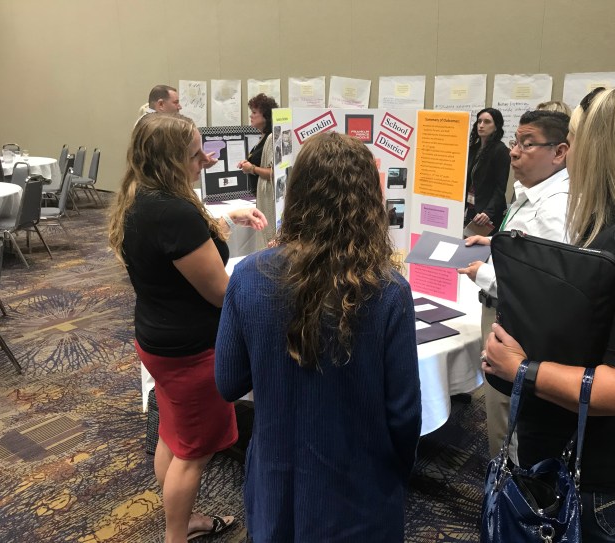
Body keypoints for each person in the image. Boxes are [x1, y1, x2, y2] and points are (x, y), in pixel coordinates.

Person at [482, 86, 615, 542]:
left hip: (598, 474)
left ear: (595, 150)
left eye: (574, 140)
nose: (568, 153)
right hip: (590, 460)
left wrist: (522, 369)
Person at [215, 131, 422, 542]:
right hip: (358, 491)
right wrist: (394, 475)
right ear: (370, 200)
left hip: (275, 484)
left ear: (295, 194)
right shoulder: (388, 291)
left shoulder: (248, 276)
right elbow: (404, 415)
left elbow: (229, 382)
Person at [108, 113, 267, 543]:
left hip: (158, 339)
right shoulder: (174, 211)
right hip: (192, 351)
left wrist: (228, 220)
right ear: (170, 160)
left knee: (173, 436)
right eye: (196, 154)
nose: (206, 160)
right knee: (194, 454)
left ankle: (183, 519)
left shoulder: (141, 196)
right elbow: (220, 293)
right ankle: (176, 534)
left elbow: (182, 250)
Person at [458, 110, 571, 457]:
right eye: (515, 142)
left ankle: (511, 485)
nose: (515, 152)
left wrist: (483, 274)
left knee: (508, 416)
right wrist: (495, 242)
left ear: (559, 152)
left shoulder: (555, 207)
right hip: (504, 312)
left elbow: (543, 285)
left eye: (527, 144)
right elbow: (528, 247)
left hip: (516, 322)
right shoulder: (531, 192)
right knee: (500, 410)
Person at [237, 93, 278, 250]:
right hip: (262, 195)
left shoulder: (271, 138)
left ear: (266, 116)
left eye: (254, 112)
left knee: (268, 236)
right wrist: (248, 164)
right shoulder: (263, 137)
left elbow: (273, 172)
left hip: (269, 198)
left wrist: (252, 169)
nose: (251, 116)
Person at [464, 108, 511, 235]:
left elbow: (500, 187)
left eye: (487, 122)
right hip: (472, 207)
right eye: (479, 121)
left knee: (481, 245)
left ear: (496, 127)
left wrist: (488, 212)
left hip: (488, 212)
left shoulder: (500, 150)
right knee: (467, 241)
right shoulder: (473, 149)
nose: (481, 125)